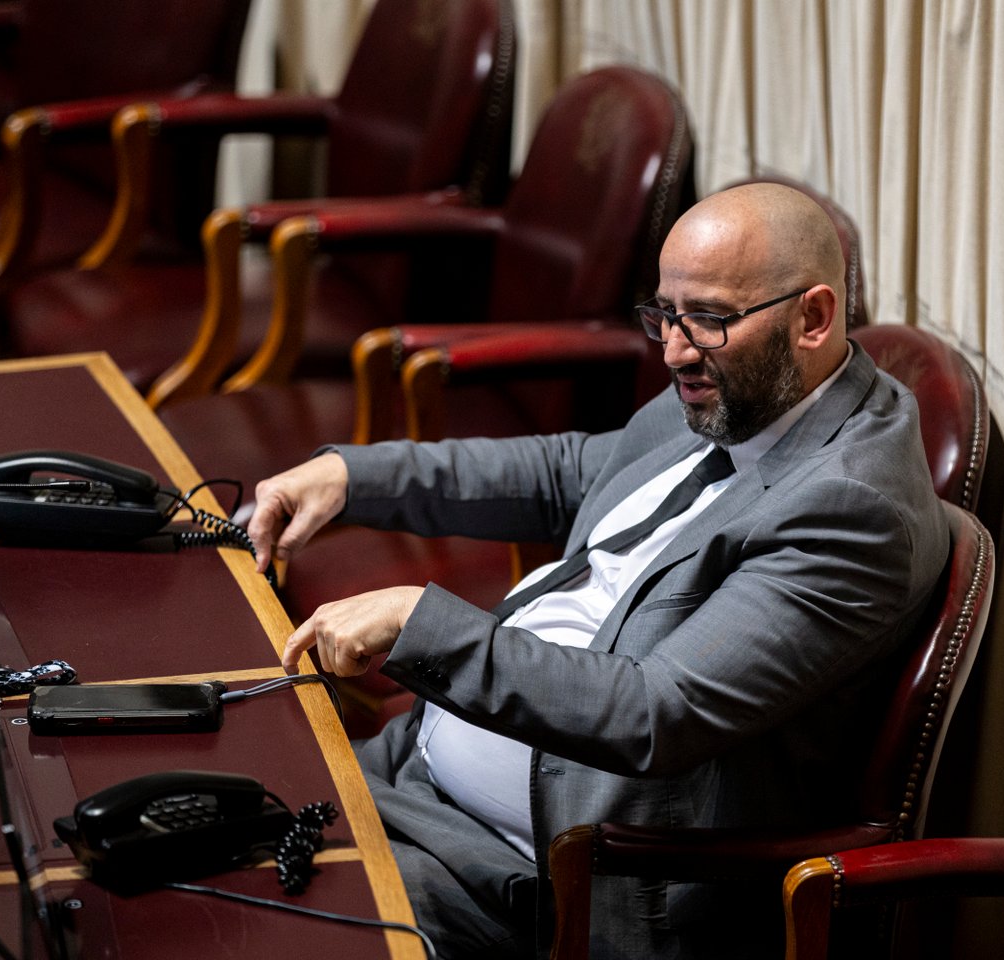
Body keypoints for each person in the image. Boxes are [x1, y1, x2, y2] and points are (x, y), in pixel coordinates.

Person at [248, 182, 950, 960]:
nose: (677, 349)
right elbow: (565, 470)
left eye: (709, 319)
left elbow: (657, 712)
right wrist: (355, 478)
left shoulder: (851, 508)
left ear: (813, 317)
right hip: (413, 776)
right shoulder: (751, 390)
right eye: (664, 316)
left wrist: (422, 623)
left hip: (537, 879)